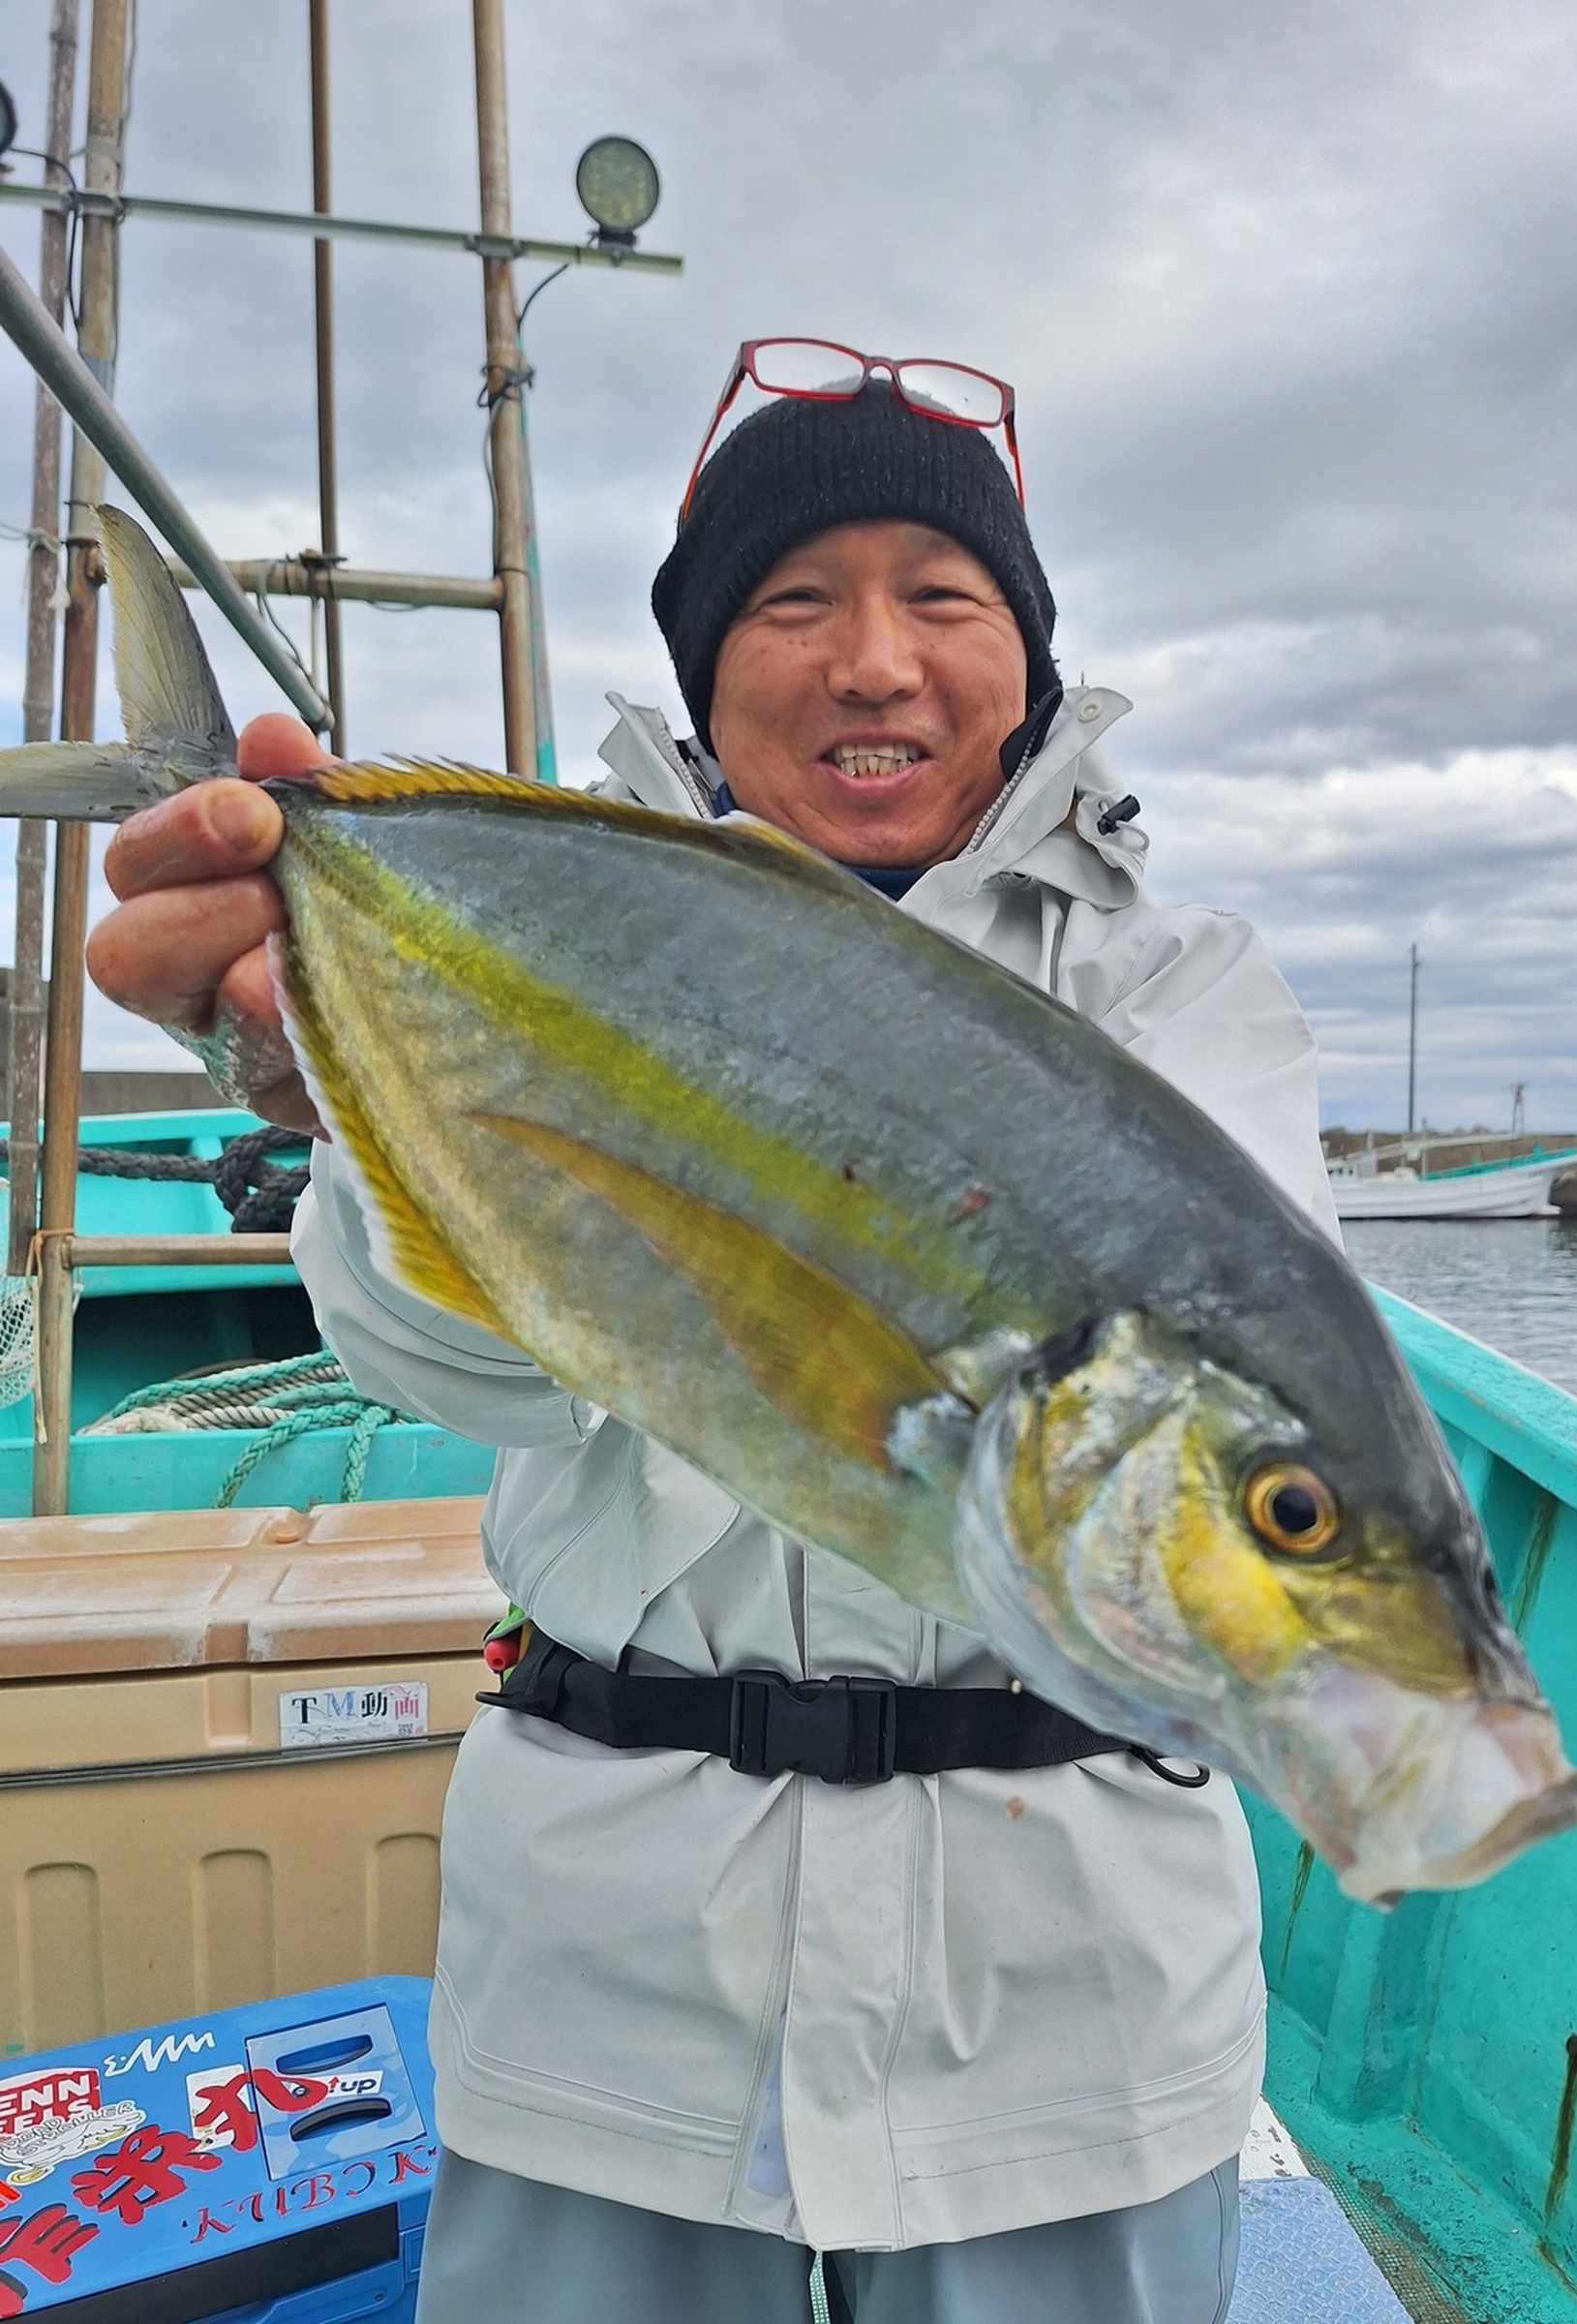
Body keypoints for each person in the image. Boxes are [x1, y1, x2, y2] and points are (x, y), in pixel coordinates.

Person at [86, 364, 1342, 2320]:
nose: (874, 663)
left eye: (944, 597)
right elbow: (455, 1367)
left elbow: (1221, 1411)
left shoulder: (1181, 990)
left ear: (1024, 659)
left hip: (1067, 2018)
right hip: (614, 2006)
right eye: (791, 604)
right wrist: (339, 1070)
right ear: (703, 667)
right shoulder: (548, 941)